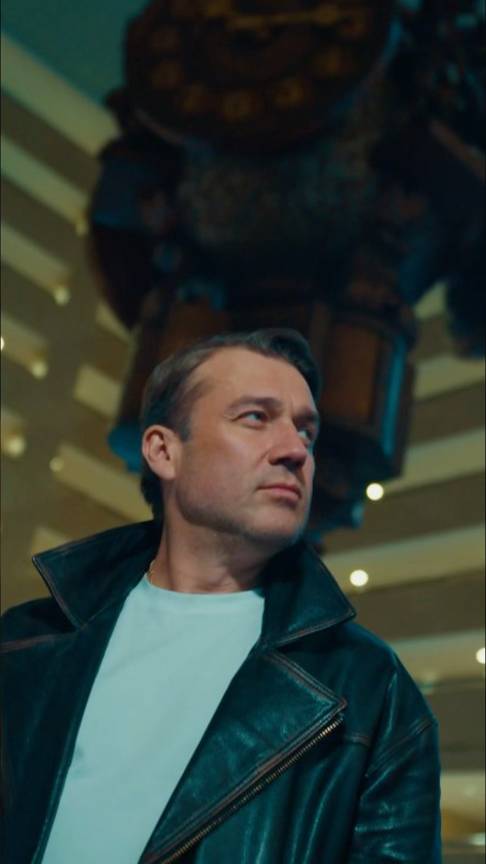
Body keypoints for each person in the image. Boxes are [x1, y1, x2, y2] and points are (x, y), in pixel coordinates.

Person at [1, 329, 441, 864]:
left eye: (306, 431)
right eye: (256, 417)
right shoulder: (24, 643)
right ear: (163, 450)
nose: (295, 451)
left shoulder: (371, 688)